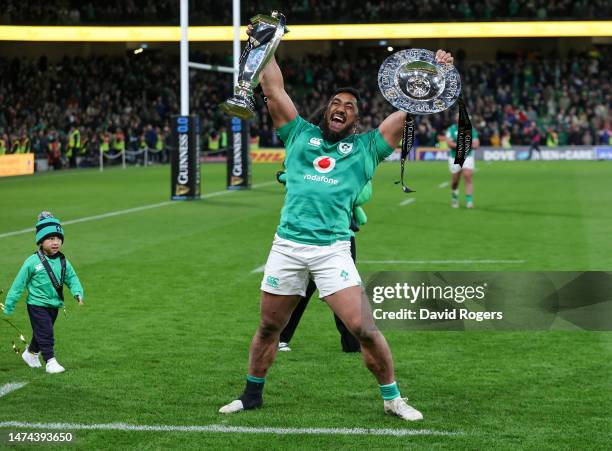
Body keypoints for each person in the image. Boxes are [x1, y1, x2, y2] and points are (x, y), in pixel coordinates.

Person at [219, 29, 454, 421]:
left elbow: (407, 111)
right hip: (287, 247)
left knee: (364, 328)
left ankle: (392, 398)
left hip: (332, 250)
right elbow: (273, 88)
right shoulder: (298, 134)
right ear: (326, 110)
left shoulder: (366, 148)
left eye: (349, 105)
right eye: (335, 102)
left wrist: (434, 70)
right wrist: (265, 46)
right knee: (267, 328)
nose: (340, 107)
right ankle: (251, 394)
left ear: (356, 118)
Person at [277, 173, 371, 354]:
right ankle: (280, 337)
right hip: (308, 235)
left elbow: (363, 194)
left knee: (345, 289)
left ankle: (352, 344)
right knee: (301, 289)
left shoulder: (357, 163)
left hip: (341, 237)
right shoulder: (312, 161)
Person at [2, 212, 84, 374]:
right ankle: (50, 361)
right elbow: (19, 284)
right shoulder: (32, 261)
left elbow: (72, 278)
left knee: (41, 332)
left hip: (54, 305)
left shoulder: (63, 261)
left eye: (58, 238)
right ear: (41, 240)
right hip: (37, 305)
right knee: (46, 331)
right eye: (50, 238)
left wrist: (77, 292)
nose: (56, 242)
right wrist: (9, 305)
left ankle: (31, 354)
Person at [446, 116, 480, 208]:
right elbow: (449, 143)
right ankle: (454, 197)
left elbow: (476, 144)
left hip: (467, 156)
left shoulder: (471, 130)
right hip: (454, 157)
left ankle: (469, 201)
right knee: (455, 181)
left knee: (467, 175)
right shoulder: (451, 129)